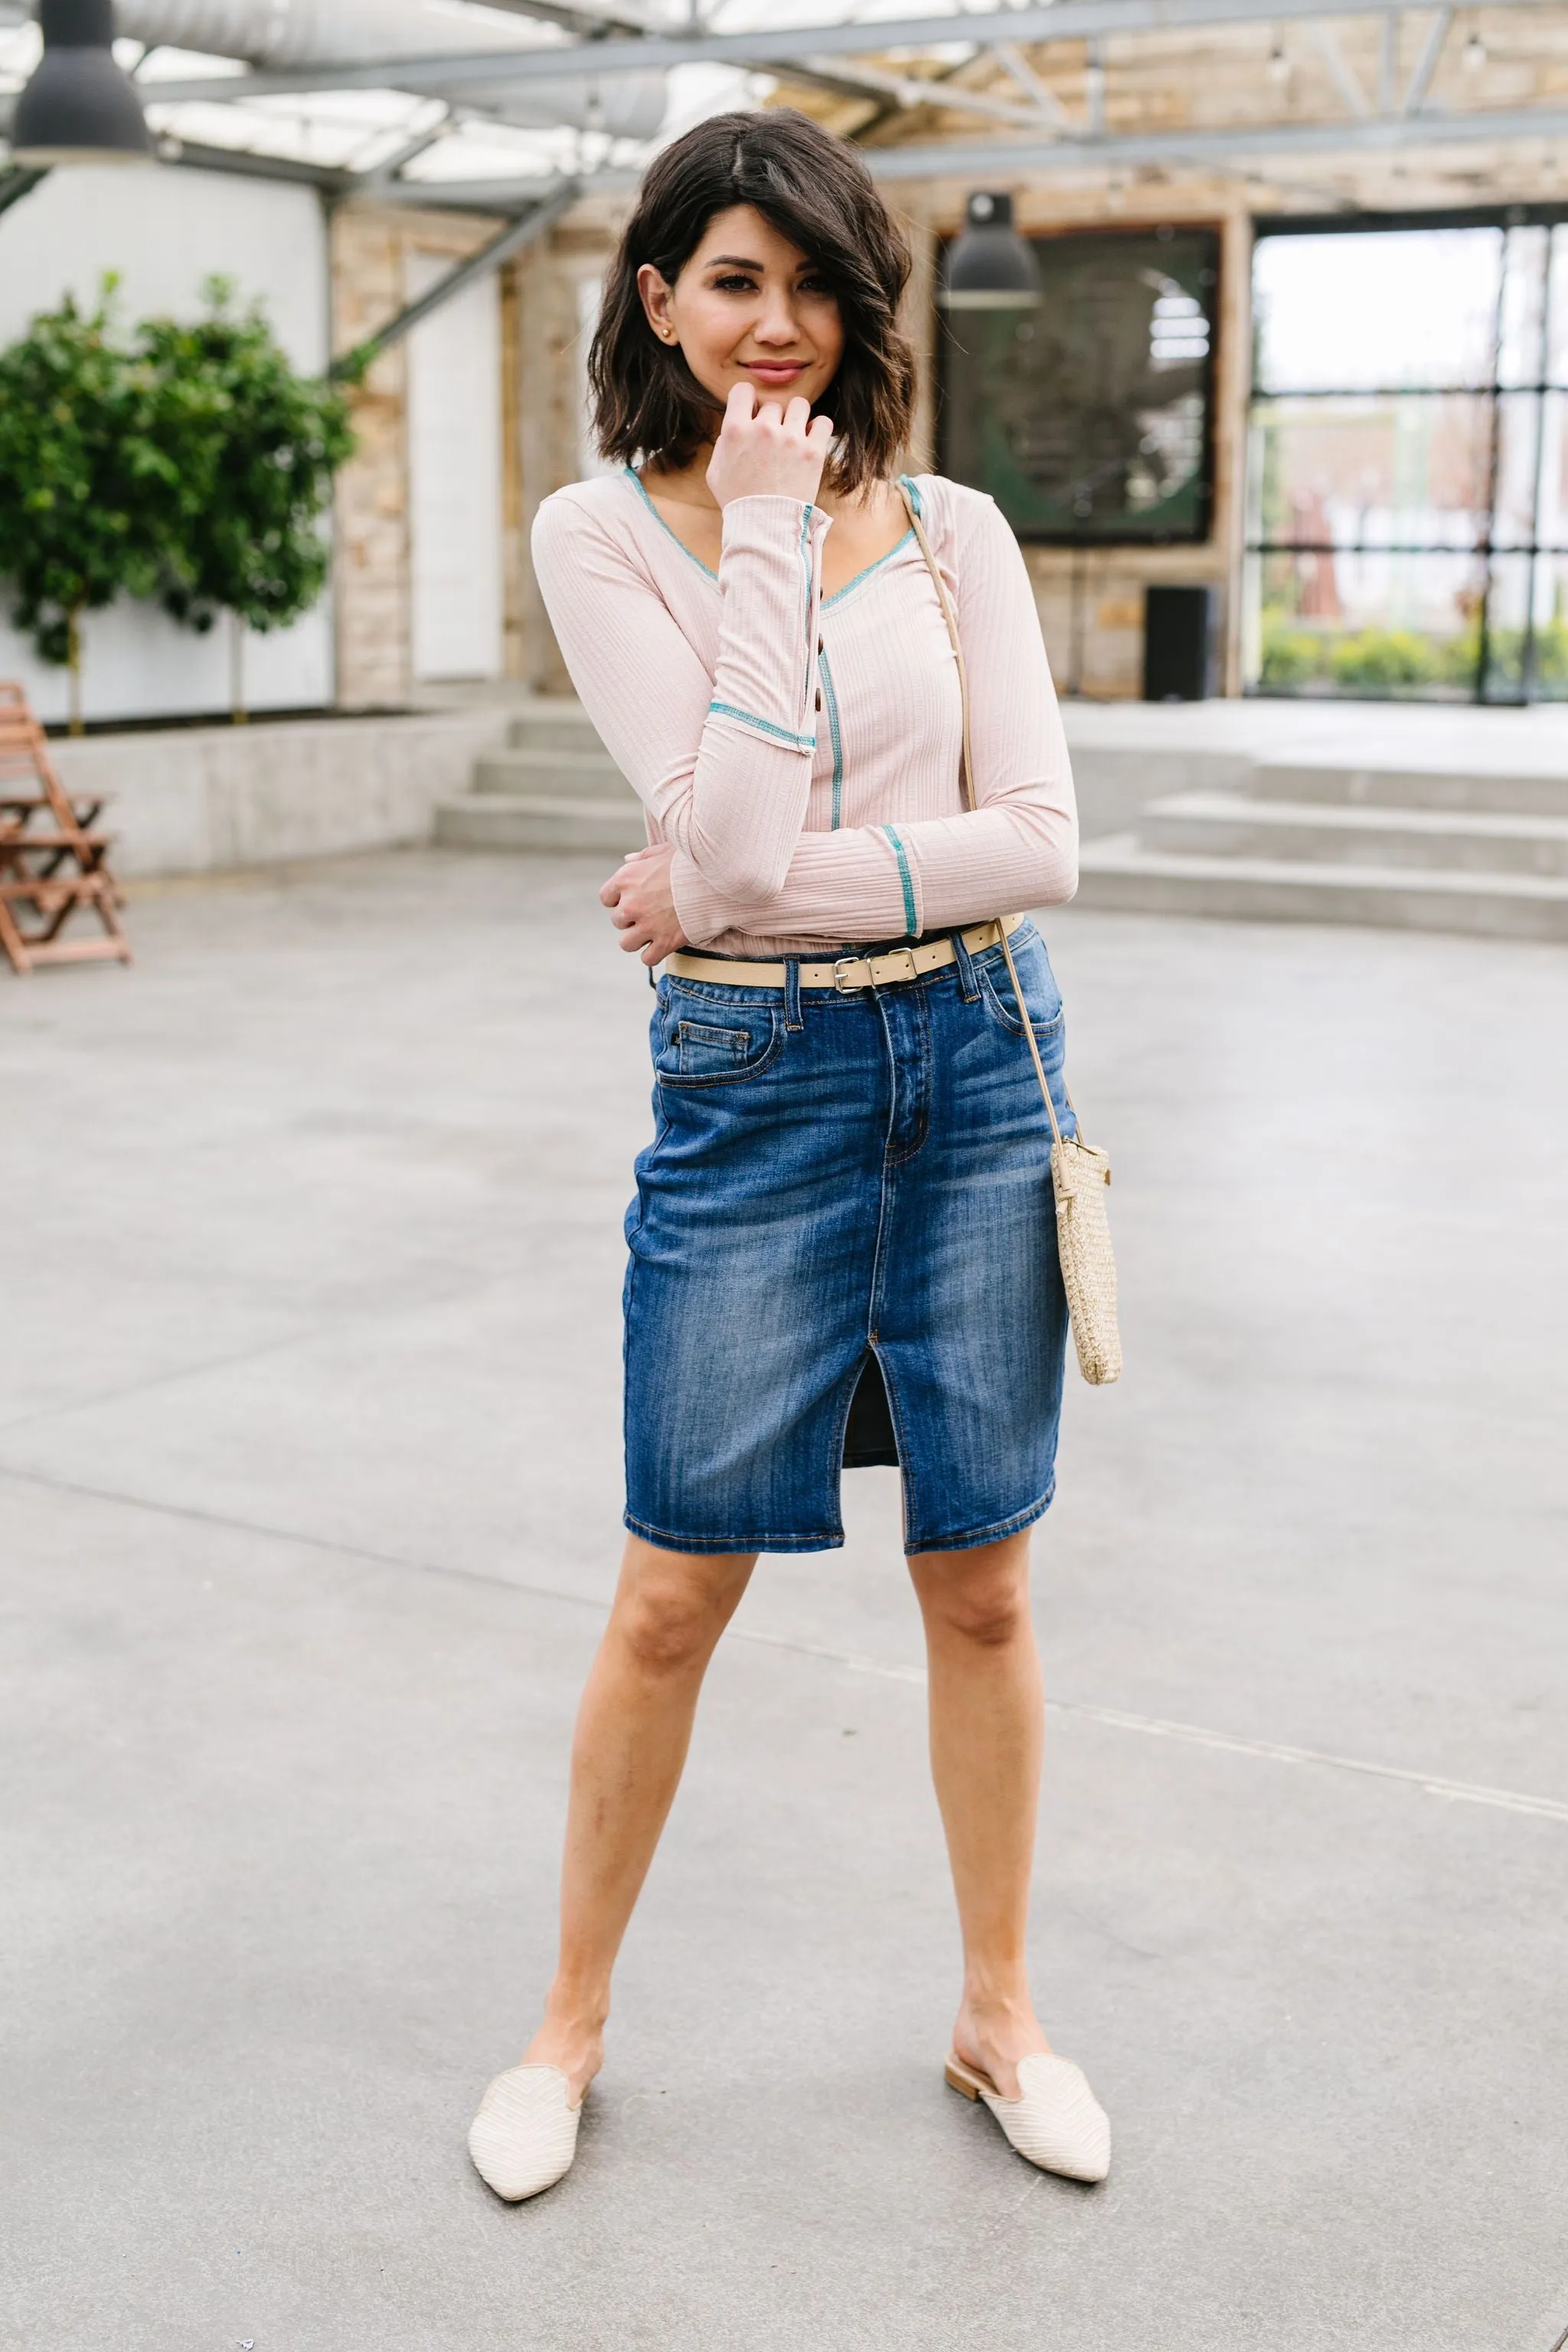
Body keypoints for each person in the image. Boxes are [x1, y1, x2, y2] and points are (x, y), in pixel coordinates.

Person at [467, 107, 1109, 2202]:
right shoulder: (599, 536)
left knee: (984, 1580)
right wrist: (757, 537)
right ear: (656, 296)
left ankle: (998, 2015)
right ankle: (564, 2030)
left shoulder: (958, 532)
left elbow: (1041, 846)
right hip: (753, 1092)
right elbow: (720, 867)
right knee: (675, 1586)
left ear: (862, 304)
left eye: (816, 283)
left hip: (986, 1070)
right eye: (735, 280)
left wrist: (750, 880)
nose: (779, 324)